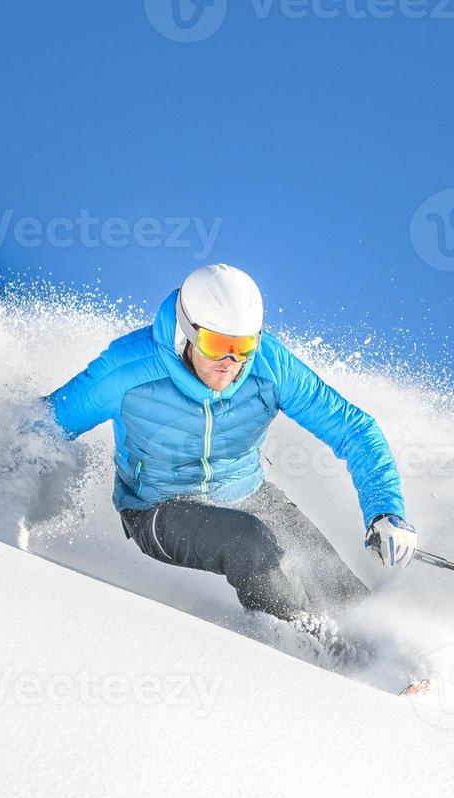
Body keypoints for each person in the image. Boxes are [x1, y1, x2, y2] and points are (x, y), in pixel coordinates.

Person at [45, 264, 418, 666]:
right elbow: (47, 423)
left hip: (248, 493)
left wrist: (386, 511)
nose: (230, 362)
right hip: (156, 507)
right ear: (187, 332)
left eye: (242, 347)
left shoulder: (270, 366)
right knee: (249, 541)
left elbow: (354, 429)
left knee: (328, 575)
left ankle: (392, 664)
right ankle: (323, 659)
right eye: (217, 344)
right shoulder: (128, 369)